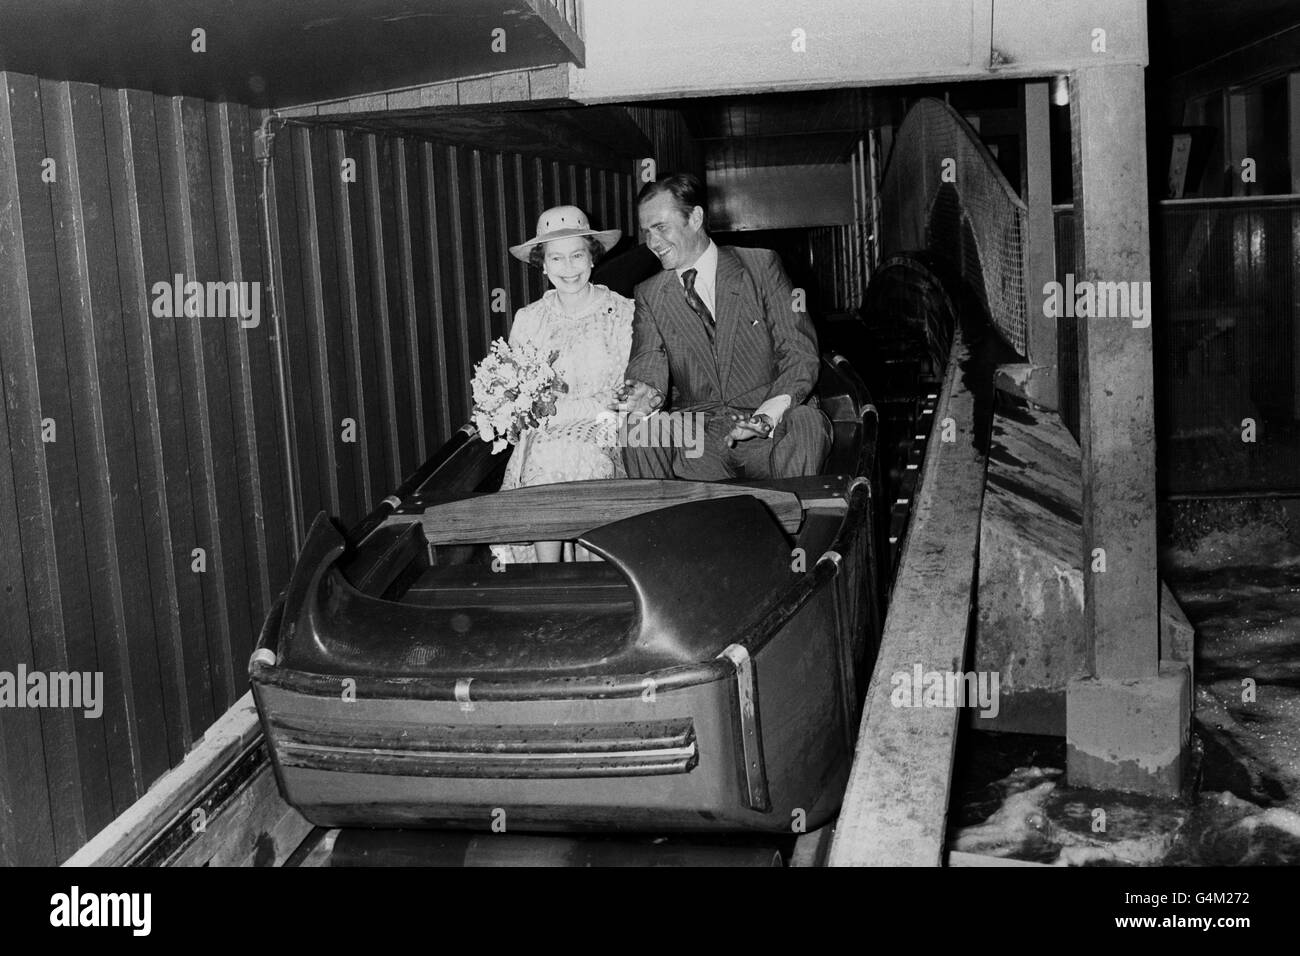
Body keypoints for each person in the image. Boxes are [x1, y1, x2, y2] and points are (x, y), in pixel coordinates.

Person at [614, 173, 831, 481]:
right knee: (640, 429)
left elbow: (799, 353)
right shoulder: (649, 293)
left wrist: (765, 417)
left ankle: (796, 522)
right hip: (700, 442)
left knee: (808, 421)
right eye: (646, 232)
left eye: (661, 227)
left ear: (696, 217)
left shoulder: (761, 266)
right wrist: (644, 395)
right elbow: (647, 362)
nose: (652, 242)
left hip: (766, 431)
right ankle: (662, 524)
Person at [491, 205, 634, 564]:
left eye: (576, 256)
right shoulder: (528, 319)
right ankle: (548, 574)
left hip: (606, 427)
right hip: (543, 435)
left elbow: (623, 392)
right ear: (542, 264)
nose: (568, 268)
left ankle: (595, 572)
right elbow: (518, 392)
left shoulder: (623, 312)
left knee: (575, 452)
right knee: (547, 453)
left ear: (592, 257)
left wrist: (561, 413)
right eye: (556, 258)